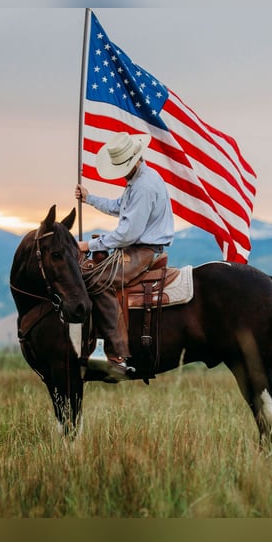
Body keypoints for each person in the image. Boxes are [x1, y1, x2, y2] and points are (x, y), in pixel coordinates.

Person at [75, 131, 175, 381]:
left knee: (101, 282)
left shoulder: (143, 186)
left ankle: (118, 356)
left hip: (142, 251)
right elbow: (119, 207)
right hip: (136, 248)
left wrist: (89, 245)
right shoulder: (140, 178)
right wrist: (89, 199)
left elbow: (127, 234)